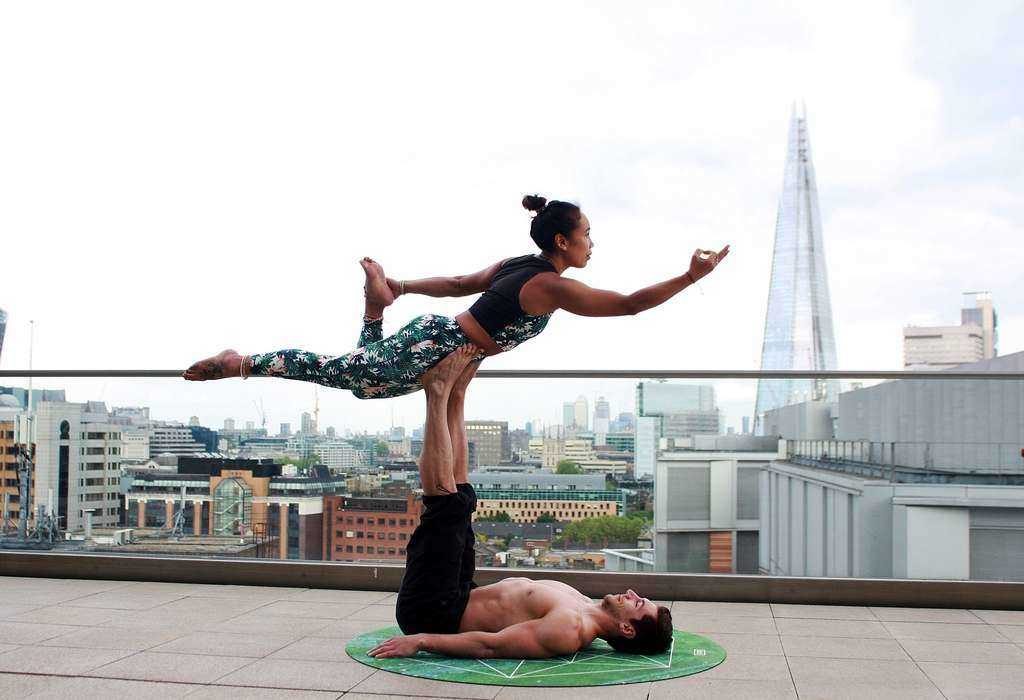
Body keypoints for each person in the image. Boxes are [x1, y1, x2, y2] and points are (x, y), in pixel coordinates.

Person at [183, 194, 729, 398]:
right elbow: (630, 304)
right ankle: (242, 362)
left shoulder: (518, 265)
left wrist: (400, 286)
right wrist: (691, 278)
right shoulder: (552, 285)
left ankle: (376, 305)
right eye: (586, 234)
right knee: (352, 375)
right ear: (563, 240)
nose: (592, 242)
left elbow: (462, 285)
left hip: (439, 340)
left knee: (367, 384)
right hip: (439, 347)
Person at [368, 345, 673, 660]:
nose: (633, 594)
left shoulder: (568, 630)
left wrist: (420, 641)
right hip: (459, 592)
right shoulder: (583, 603)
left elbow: (491, 645)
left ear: (626, 629)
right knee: (463, 497)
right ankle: (456, 394)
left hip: (432, 610)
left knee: (445, 505)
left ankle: (436, 391)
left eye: (638, 604)